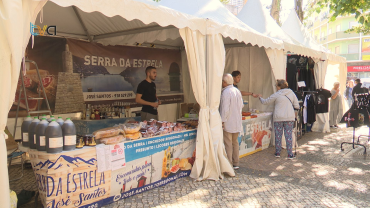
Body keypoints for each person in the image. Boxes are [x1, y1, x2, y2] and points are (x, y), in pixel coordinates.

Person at [256, 79, 299, 159]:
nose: (276, 87)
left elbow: (265, 102)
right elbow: (297, 105)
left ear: (279, 87)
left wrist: (260, 97)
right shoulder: (291, 93)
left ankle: (278, 152)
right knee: (288, 135)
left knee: (278, 135)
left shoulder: (277, 94)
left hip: (278, 117)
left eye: (276, 86)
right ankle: (290, 154)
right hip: (289, 117)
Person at [220, 74, 244, 170]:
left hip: (228, 121)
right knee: (235, 142)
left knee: (228, 143)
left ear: (225, 82)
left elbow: (225, 109)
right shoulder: (237, 91)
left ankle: (229, 163)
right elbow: (241, 105)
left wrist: (222, 120)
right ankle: (236, 162)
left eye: (222, 81)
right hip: (236, 121)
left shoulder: (226, 92)